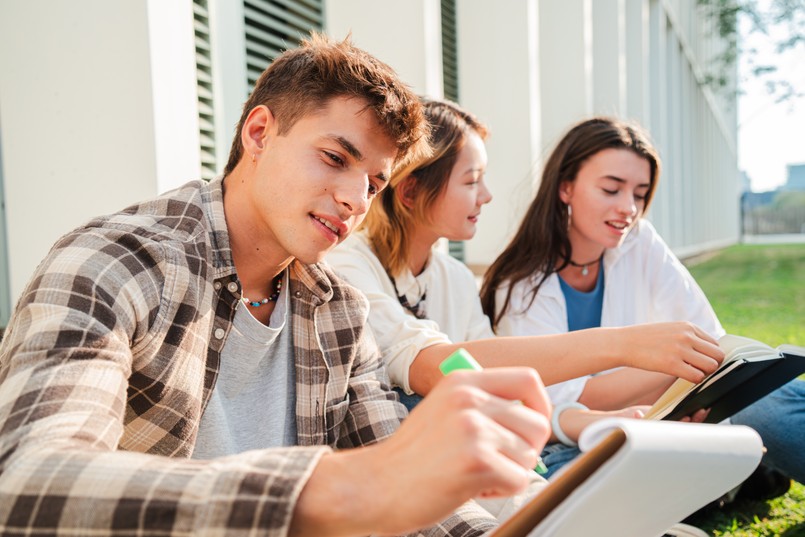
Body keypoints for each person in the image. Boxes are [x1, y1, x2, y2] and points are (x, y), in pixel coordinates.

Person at [0, 34, 554, 537]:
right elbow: (27, 481)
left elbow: (400, 474)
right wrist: (339, 488)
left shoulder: (338, 311)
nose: (355, 200)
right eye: (335, 158)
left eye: (373, 183)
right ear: (260, 133)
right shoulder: (117, 263)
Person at [326, 100, 725, 417]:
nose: (486, 196)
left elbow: (495, 388)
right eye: (471, 181)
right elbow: (435, 366)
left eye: (639, 194)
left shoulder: (456, 279)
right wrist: (625, 347)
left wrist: (582, 422)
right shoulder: (348, 267)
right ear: (410, 193)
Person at [479, 116, 805, 485]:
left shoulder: (639, 241)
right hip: (585, 438)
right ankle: (740, 475)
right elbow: (566, 404)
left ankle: (740, 472)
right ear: (566, 187)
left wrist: (677, 364)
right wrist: (666, 362)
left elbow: (707, 337)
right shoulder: (521, 285)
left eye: (639, 193)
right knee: (588, 471)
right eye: (611, 189)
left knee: (770, 401)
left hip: (668, 410)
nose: (629, 208)